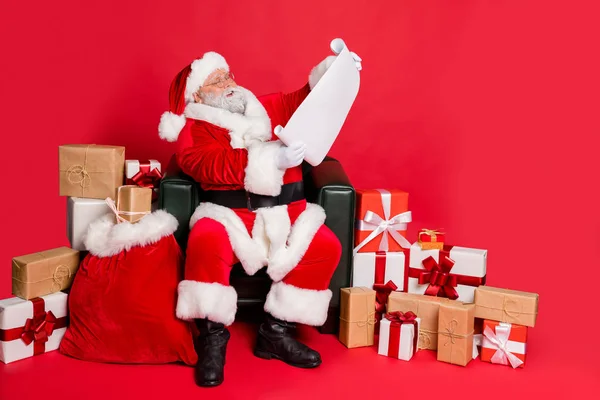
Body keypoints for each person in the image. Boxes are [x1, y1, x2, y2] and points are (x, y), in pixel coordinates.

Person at [158, 47, 362, 387]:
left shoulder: (263, 106)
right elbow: (210, 165)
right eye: (217, 80)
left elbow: (305, 101)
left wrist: (338, 73)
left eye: (228, 75)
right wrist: (273, 160)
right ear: (198, 94)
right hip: (230, 214)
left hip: (287, 210)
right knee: (206, 240)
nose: (229, 83)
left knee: (325, 246)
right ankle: (211, 339)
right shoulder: (193, 130)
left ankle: (275, 332)